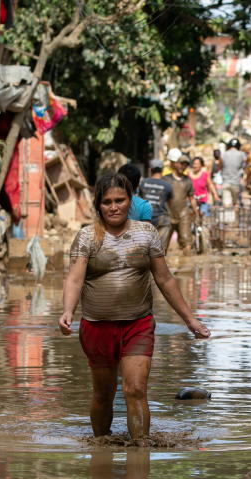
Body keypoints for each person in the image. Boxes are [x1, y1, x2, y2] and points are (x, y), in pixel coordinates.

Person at [59, 173, 210, 440]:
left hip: (137, 324)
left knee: (136, 389)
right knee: (104, 394)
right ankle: (100, 449)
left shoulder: (146, 233)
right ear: (99, 205)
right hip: (97, 326)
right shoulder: (86, 237)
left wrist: (190, 320)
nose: (114, 207)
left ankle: (140, 454)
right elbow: (75, 278)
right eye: (107, 202)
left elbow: (164, 279)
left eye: (120, 200)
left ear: (131, 201)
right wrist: (68, 311)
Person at [162, 153, 199, 255]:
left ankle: (187, 268)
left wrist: (196, 212)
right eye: (181, 164)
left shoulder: (188, 180)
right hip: (168, 213)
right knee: (162, 244)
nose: (183, 167)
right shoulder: (166, 179)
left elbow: (191, 198)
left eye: (185, 165)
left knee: (187, 241)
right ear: (176, 164)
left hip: (183, 214)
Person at [138, 159, 174, 251]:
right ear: (162, 170)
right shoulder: (167, 185)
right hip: (162, 220)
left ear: (150, 169)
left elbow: (140, 200)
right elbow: (171, 205)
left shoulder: (143, 183)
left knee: (145, 250)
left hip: (145, 219)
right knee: (159, 251)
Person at [220, 138, 246, 207]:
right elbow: (244, 167)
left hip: (226, 182)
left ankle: (227, 217)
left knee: (226, 203)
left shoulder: (223, 154)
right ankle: (236, 217)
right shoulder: (242, 154)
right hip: (236, 182)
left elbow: (220, 166)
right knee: (236, 203)